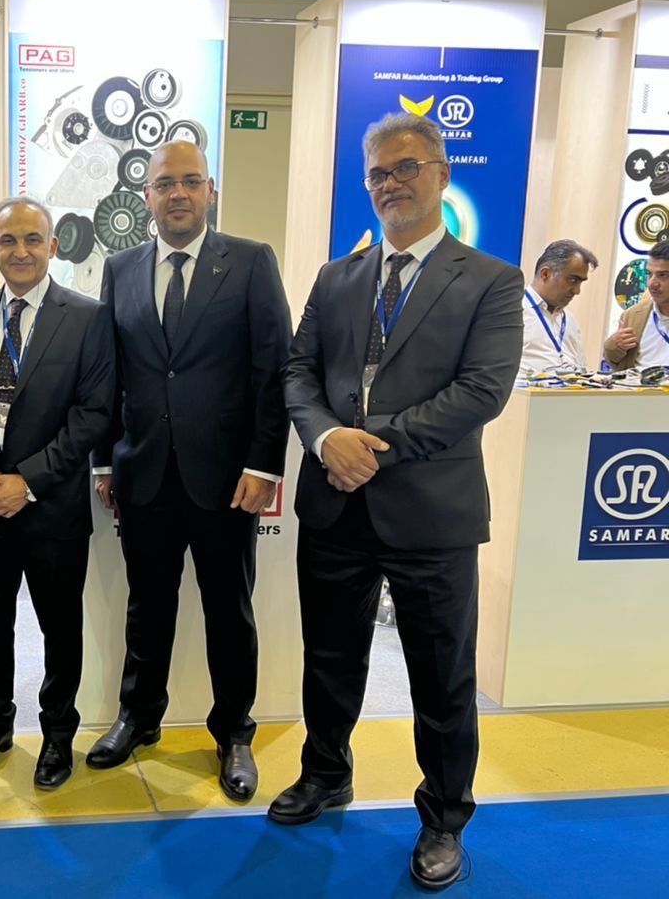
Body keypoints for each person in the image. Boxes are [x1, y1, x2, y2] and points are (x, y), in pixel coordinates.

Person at [277, 112, 523, 889]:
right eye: (379, 173)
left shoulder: (491, 280)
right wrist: (325, 438)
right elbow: (298, 373)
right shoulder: (337, 278)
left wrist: (368, 444)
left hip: (432, 512)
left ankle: (444, 818)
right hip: (334, 505)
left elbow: (481, 392)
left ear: (442, 174)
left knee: (441, 677)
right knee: (330, 657)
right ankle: (326, 772)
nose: (392, 183)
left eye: (407, 167)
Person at [89, 140, 291, 802]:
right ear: (146, 196)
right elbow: (109, 373)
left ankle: (234, 732)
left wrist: (264, 465)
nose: (177, 193)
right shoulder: (119, 269)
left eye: (190, 182)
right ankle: (138, 717)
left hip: (227, 479)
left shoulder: (251, 262)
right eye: (165, 184)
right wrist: (103, 460)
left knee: (228, 611)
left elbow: (273, 371)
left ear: (211, 191)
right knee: (147, 607)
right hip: (143, 472)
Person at [0, 196, 115, 789]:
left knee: (59, 630)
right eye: (9, 241)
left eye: (32, 239)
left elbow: (93, 415)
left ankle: (58, 735)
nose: (21, 251)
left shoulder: (88, 318)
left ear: (53, 247)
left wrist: (29, 481)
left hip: (53, 509)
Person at [519, 239, 597, 380]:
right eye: (572, 280)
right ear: (545, 274)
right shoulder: (514, 311)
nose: (577, 291)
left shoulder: (570, 320)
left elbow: (581, 367)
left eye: (580, 282)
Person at [603, 243, 669, 371]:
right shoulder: (633, 315)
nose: (652, 283)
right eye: (649, 274)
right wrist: (616, 344)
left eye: (663, 275)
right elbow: (613, 361)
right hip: (639, 382)